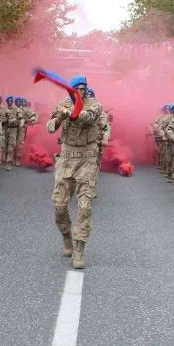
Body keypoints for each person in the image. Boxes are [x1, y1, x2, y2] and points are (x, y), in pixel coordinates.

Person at [46, 74, 103, 269]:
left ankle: (79, 250)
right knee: (59, 206)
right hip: (67, 157)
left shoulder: (94, 104)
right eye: (77, 87)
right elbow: (50, 128)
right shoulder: (61, 103)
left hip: (87, 158)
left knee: (85, 206)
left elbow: (87, 117)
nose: (81, 90)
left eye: (83, 87)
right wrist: (59, 117)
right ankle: (66, 237)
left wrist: (71, 112)